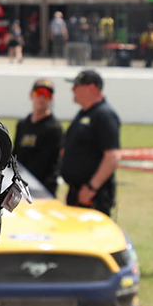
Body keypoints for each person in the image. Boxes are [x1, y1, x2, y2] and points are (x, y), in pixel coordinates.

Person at [60, 69, 122, 216]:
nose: (72, 89)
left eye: (77, 86)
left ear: (92, 88)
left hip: (93, 196)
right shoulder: (85, 113)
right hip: (78, 193)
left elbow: (112, 156)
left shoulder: (104, 115)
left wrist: (91, 188)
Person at [14, 78, 63, 192]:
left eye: (47, 94)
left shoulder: (54, 128)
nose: (42, 97)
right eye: (38, 93)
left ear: (51, 99)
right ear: (31, 95)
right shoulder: (23, 124)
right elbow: (15, 156)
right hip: (20, 187)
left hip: (42, 189)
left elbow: (53, 166)